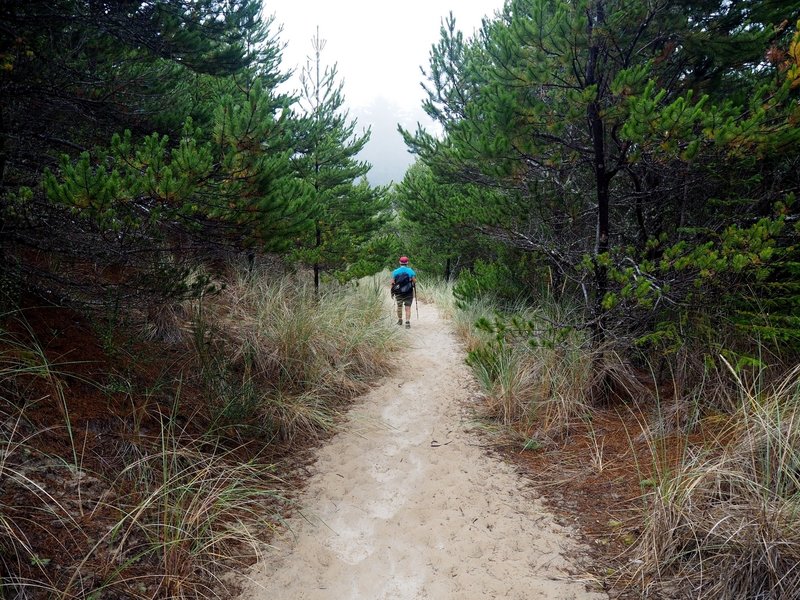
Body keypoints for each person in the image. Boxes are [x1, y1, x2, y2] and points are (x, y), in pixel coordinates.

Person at [391, 256, 416, 328]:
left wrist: (392, 292)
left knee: (399, 306)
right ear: (407, 262)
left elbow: (392, 282)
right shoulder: (410, 271)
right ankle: (407, 322)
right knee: (408, 307)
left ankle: (400, 320)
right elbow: (414, 281)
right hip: (408, 292)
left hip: (398, 292)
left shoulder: (395, 272)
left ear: (400, 262)